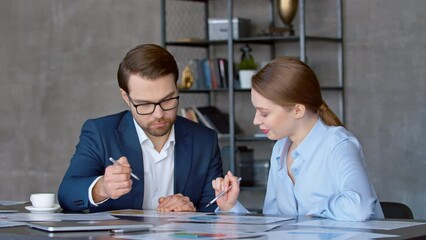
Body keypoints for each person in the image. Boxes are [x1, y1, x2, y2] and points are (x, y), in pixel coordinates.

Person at [212, 56, 383, 221]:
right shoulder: (280, 149)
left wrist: (312, 210)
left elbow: (359, 207)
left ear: (298, 110)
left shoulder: (338, 144)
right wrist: (231, 207)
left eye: (264, 113)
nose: (256, 120)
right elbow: (272, 224)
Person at [58, 44, 223, 213]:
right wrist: (101, 189)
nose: (158, 114)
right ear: (126, 97)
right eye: (144, 104)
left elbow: (214, 211)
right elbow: (66, 193)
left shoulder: (205, 140)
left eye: (167, 100)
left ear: (177, 88)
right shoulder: (100, 133)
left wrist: (192, 214)